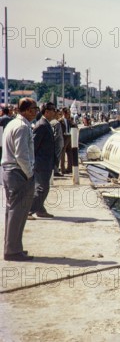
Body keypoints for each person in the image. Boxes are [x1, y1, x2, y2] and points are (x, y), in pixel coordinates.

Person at [2, 98, 37, 261]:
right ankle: (13, 250)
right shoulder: (23, 127)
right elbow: (21, 155)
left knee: (12, 211)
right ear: (26, 110)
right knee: (18, 212)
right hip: (18, 173)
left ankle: (12, 247)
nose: (36, 112)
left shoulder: (12, 124)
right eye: (34, 109)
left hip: (9, 171)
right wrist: (29, 174)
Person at [29, 102, 57, 219]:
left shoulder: (46, 124)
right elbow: (34, 146)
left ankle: (40, 209)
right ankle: (28, 210)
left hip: (46, 162)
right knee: (42, 188)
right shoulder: (41, 125)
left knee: (43, 187)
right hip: (41, 163)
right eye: (53, 110)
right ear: (46, 112)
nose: (55, 113)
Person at [60, 107, 76, 174]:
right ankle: (63, 169)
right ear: (64, 113)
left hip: (69, 137)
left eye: (69, 113)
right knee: (62, 155)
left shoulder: (70, 120)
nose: (68, 114)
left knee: (70, 153)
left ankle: (69, 168)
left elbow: (74, 126)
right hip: (64, 137)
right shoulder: (60, 121)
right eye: (67, 113)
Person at [51, 109, 64, 177]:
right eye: (59, 114)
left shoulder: (51, 122)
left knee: (54, 157)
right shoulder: (57, 123)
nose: (60, 116)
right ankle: (56, 171)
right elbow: (57, 134)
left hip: (54, 143)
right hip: (58, 143)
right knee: (57, 157)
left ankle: (54, 169)